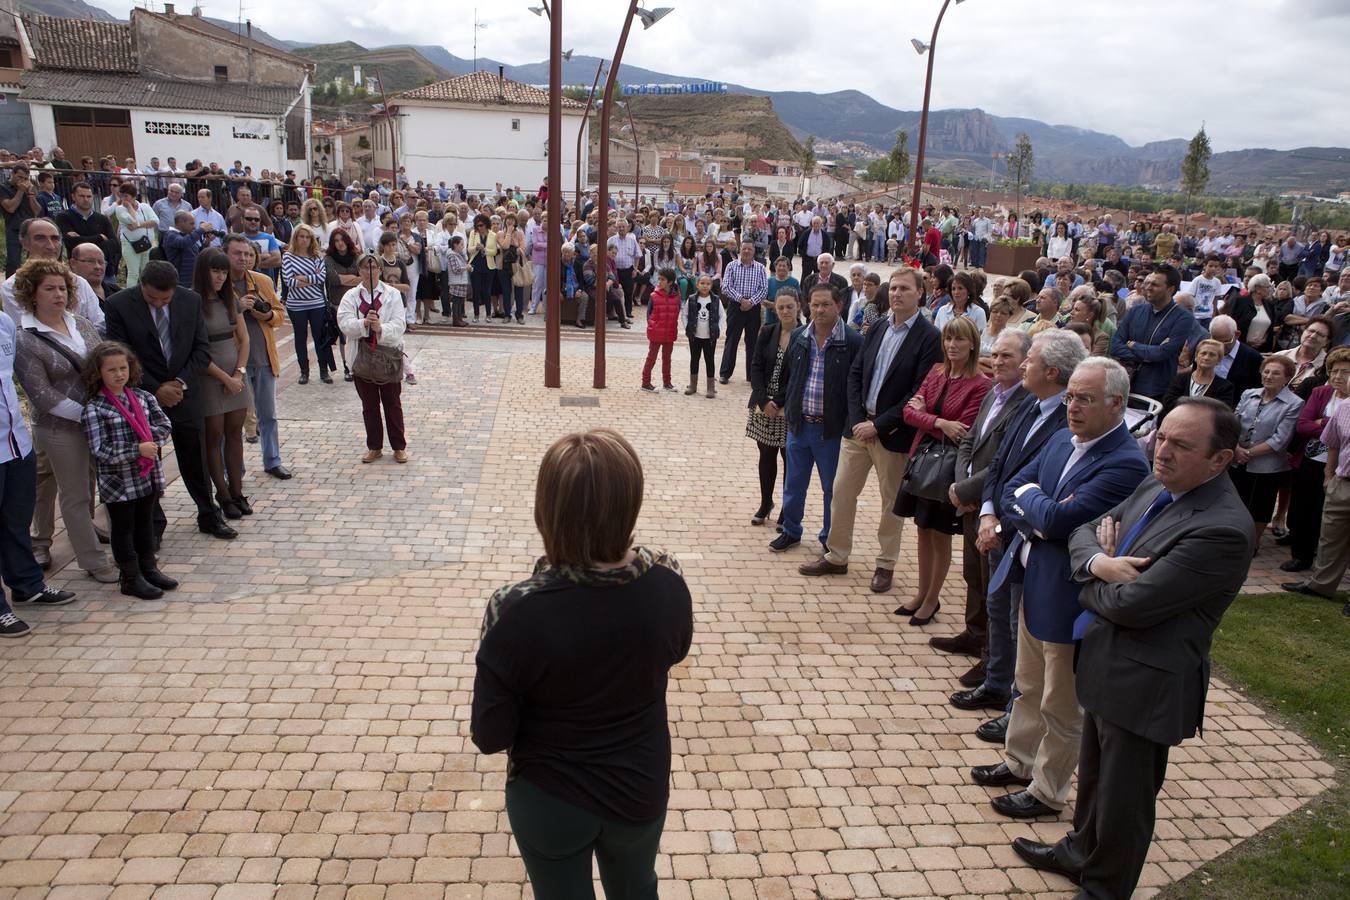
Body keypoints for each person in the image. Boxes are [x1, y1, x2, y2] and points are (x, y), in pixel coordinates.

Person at [1014, 398, 1254, 899]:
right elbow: (1084, 533)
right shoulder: (1156, 482)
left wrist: (1087, 579)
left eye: (1180, 445)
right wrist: (1102, 565)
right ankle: (1080, 852)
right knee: (1096, 781)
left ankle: (1104, 888)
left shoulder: (1222, 529)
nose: (1161, 451)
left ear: (1220, 460)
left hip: (1147, 685)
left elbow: (1133, 605)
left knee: (1125, 801)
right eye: (1161, 436)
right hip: (1104, 663)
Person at [471, 428, 692, 899]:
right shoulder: (668, 581)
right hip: (639, 783)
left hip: (550, 797)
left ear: (546, 509)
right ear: (630, 501)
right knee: (637, 889)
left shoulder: (514, 608)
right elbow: (677, 649)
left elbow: (490, 735)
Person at [973, 357, 1149, 820]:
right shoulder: (1060, 439)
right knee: (1027, 685)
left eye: (1084, 399)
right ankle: (1019, 761)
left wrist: (1038, 504)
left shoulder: (1125, 462)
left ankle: (1048, 790)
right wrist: (1039, 504)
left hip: (1071, 599)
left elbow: (1057, 521)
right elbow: (1015, 489)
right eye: (1070, 395)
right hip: (1034, 580)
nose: (1071, 406)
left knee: (1061, 702)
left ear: (1116, 403)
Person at [797, 268, 941, 593]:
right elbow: (856, 373)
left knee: (891, 503)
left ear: (920, 293)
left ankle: (885, 564)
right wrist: (859, 418)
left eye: (905, 289)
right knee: (841, 492)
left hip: (893, 434)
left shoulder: (929, 337)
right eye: (894, 289)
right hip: (858, 429)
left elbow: (919, 391)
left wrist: (878, 424)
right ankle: (836, 556)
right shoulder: (877, 327)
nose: (897, 294)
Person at [104, 260, 236, 541]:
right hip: (141, 396)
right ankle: (153, 525)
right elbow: (121, 355)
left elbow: (201, 349)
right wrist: (155, 388)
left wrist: (178, 383)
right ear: (141, 286)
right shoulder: (119, 305)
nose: (160, 304)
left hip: (184, 393)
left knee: (195, 457)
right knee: (148, 461)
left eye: (166, 299)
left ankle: (208, 514)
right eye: (152, 298)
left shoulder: (190, 301)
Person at [930, 329, 1031, 672]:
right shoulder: (995, 391)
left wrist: (970, 490)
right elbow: (969, 440)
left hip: (996, 505)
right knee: (974, 573)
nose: (998, 361)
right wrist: (962, 485)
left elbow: (1009, 462)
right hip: (973, 500)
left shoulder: (1025, 404)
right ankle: (974, 633)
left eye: (1008, 357)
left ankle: (992, 657)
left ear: (1026, 363)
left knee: (994, 585)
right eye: (997, 354)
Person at [10, 259, 116, 583]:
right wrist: (88, 414)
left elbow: (104, 363)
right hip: (59, 428)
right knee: (75, 495)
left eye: (63, 288)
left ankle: (119, 546)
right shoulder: (25, 337)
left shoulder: (81, 323)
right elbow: (40, 393)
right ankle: (93, 561)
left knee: (106, 486)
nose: (58, 295)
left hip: (97, 419)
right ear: (32, 293)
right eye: (49, 289)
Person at [893, 317, 992, 624]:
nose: (952, 345)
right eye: (948, 338)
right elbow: (909, 412)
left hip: (948, 471)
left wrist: (931, 417)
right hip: (923, 461)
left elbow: (963, 432)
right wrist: (938, 422)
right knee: (922, 531)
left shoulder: (980, 384)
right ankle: (922, 593)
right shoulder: (937, 372)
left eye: (959, 339)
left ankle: (933, 598)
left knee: (939, 536)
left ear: (972, 343)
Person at [80, 341, 178, 599]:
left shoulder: (143, 397)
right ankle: (130, 577)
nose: (118, 374)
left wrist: (152, 441)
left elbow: (163, 424)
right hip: (119, 482)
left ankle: (149, 568)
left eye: (123, 368)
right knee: (123, 528)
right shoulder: (95, 408)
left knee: (145, 524)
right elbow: (99, 449)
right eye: (111, 370)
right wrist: (137, 449)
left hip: (146, 477)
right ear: (98, 373)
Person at [769, 283, 864, 553]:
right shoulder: (799, 336)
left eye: (825, 304)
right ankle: (790, 530)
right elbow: (791, 377)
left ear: (839, 306)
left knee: (832, 489)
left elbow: (857, 386)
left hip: (831, 431)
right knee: (793, 484)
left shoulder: (853, 342)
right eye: (815, 304)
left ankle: (828, 539)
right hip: (798, 427)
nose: (819, 310)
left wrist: (849, 424)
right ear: (807, 306)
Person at [191, 249, 252, 521]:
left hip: (235, 373)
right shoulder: (192, 302)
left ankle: (237, 491)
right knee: (214, 436)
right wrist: (225, 378)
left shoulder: (231, 300)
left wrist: (238, 373)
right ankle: (223, 494)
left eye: (223, 271)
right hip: (209, 376)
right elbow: (196, 351)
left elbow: (244, 339)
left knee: (235, 433)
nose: (219, 276)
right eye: (215, 271)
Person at [223, 235, 290, 480]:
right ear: (226, 255)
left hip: (263, 359)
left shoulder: (262, 281)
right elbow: (214, 321)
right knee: (233, 420)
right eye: (238, 254)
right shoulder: (219, 283)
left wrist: (266, 315)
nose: (244, 258)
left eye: (249, 254)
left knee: (268, 415)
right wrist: (238, 307)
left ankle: (272, 461)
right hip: (233, 364)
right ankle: (233, 468)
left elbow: (280, 314)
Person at [1282, 349, 1350, 573]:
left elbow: (1331, 432)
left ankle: (1325, 563)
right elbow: (1302, 425)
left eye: (1345, 372)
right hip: (1310, 460)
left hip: (1340, 467)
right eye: (1335, 370)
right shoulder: (1321, 392)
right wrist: (1333, 424)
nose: (1339, 376)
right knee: (1303, 509)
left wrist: (1324, 422)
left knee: (1328, 515)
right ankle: (1301, 557)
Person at [337, 252, 408, 463]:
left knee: (392, 403)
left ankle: (399, 446)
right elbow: (344, 322)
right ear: (359, 271)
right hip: (362, 355)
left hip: (387, 355)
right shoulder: (351, 296)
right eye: (365, 267)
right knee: (369, 405)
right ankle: (374, 446)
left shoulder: (392, 294)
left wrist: (381, 328)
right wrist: (363, 324)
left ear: (379, 269)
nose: (370, 271)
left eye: (374, 267)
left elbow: (399, 324)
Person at [1230, 354, 1302, 548]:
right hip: (1237, 458)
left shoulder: (1294, 403)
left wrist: (1248, 453)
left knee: (1259, 506)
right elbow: (1233, 422)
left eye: (1276, 373)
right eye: (1266, 371)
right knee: (1234, 501)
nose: (1269, 376)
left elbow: (1281, 438)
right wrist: (1236, 449)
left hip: (1267, 465)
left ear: (1287, 378)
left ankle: (1252, 544)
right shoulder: (1248, 394)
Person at [747, 288, 800, 526]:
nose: (785, 311)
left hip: (788, 407)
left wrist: (777, 401)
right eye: (781, 307)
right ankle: (766, 502)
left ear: (798, 306)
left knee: (790, 458)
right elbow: (755, 366)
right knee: (766, 456)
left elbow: (801, 376)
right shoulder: (768, 332)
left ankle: (787, 509)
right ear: (775, 309)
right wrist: (761, 399)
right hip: (763, 406)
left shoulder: (806, 335)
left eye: (789, 306)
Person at [1111, 265, 1196, 400]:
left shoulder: (1183, 318)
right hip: (1125, 384)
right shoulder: (1135, 311)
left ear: (1171, 289)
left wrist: (1133, 345)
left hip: (1156, 390)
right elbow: (1115, 346)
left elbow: (1162, 353)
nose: (1148, 287)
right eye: (1147, 283)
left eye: (1155, 284)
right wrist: (1147, 355)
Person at [282, 225, 332, 385]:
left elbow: (321, 278)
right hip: (296, 305)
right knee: (300, 337)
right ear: (295, 238)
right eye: (301, 236)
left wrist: (301, 278)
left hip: (317, 303)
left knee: (320, 337)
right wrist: (310, 277)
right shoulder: (288, 257)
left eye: (307, 237)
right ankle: (304, 371)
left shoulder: (317, 256)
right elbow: (289, 281)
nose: (304, 240)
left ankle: (324, 371)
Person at [717, 240, 768, 384]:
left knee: (752, 342)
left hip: (753, 308)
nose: (746, 251)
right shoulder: (731, 266)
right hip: (736, 307)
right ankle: (725, 373)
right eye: (744, 248)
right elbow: (726, 287)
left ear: (753, 251)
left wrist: (750, 302)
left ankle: (752, 376)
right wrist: (741, 300)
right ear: (740, 249)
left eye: (749, 249)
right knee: (732, 339)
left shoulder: (760, 268)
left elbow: (764, 290)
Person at [1160, 338, 1236, 419]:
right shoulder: (1180, 379)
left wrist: (1184, 404)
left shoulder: (1225, 387)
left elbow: (1221, 413)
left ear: (1219, 360)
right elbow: (1168, 403)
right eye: (1203, 353)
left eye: (1212, 355)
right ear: (1196, 357)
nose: (1206, 357)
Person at [680, 272, 720, 398]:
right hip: (695, 336)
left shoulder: (715, 300)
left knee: (710, 361)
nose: (705, 286)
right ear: (697, 285)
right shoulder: (692, 299)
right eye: (702, 283)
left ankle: (710, 387)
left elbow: (722, 317)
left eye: (708, 284)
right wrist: (687, 327)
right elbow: (684, 314)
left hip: (710, 337)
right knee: (694, 359)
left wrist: (717, 329)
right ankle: (693, 385)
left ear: (711, 285)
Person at [639, 269, 680, 393]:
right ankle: (645, 383)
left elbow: (677, 311)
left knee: (667, 359)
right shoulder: (653, 296)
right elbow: (648, 315)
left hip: (670, 332)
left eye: (662, 279)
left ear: (670, 282)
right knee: (651, 358)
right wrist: (653, 326)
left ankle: (667, 383)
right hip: (656, 332)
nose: (659, 282)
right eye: (659, 279)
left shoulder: (677, 296)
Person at [110, 183, 158, 287]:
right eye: (121, 196)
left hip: (146, 244)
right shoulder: (120, 209)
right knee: (133, 273)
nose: (123, 199)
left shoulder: (144, 206)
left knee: (145, 272)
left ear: (134, 196)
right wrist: (130, 207)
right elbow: (132, 221)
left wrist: (139, 225)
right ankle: (130, 296)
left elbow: (155, 221)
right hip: (130, 245)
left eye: (126, 196)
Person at [0, 164, 40, 276]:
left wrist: (31, 195)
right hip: (14, 227)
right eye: (19, 177)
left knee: (34, 260)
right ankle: (10, 288)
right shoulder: (3, 187)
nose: (22, 181)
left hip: (31, 227)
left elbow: (37, 211)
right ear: (12, 174)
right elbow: (10, 208)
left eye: (25, 178)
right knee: (14, 261)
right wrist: (20, 191)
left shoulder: (30, 188)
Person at [466, 214, 498, 323]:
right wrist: (476, 247)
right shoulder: (473, 233)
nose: (479, 227)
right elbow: (469, 249)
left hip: (489, 266)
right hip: (476, 265)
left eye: (481, 225)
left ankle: (488, 314)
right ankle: (476, 315)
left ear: (486, 224)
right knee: (476, 290)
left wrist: (484, 249)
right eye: (477, 225)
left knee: (487, 291)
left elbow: (494, 251)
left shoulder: (493, 235)